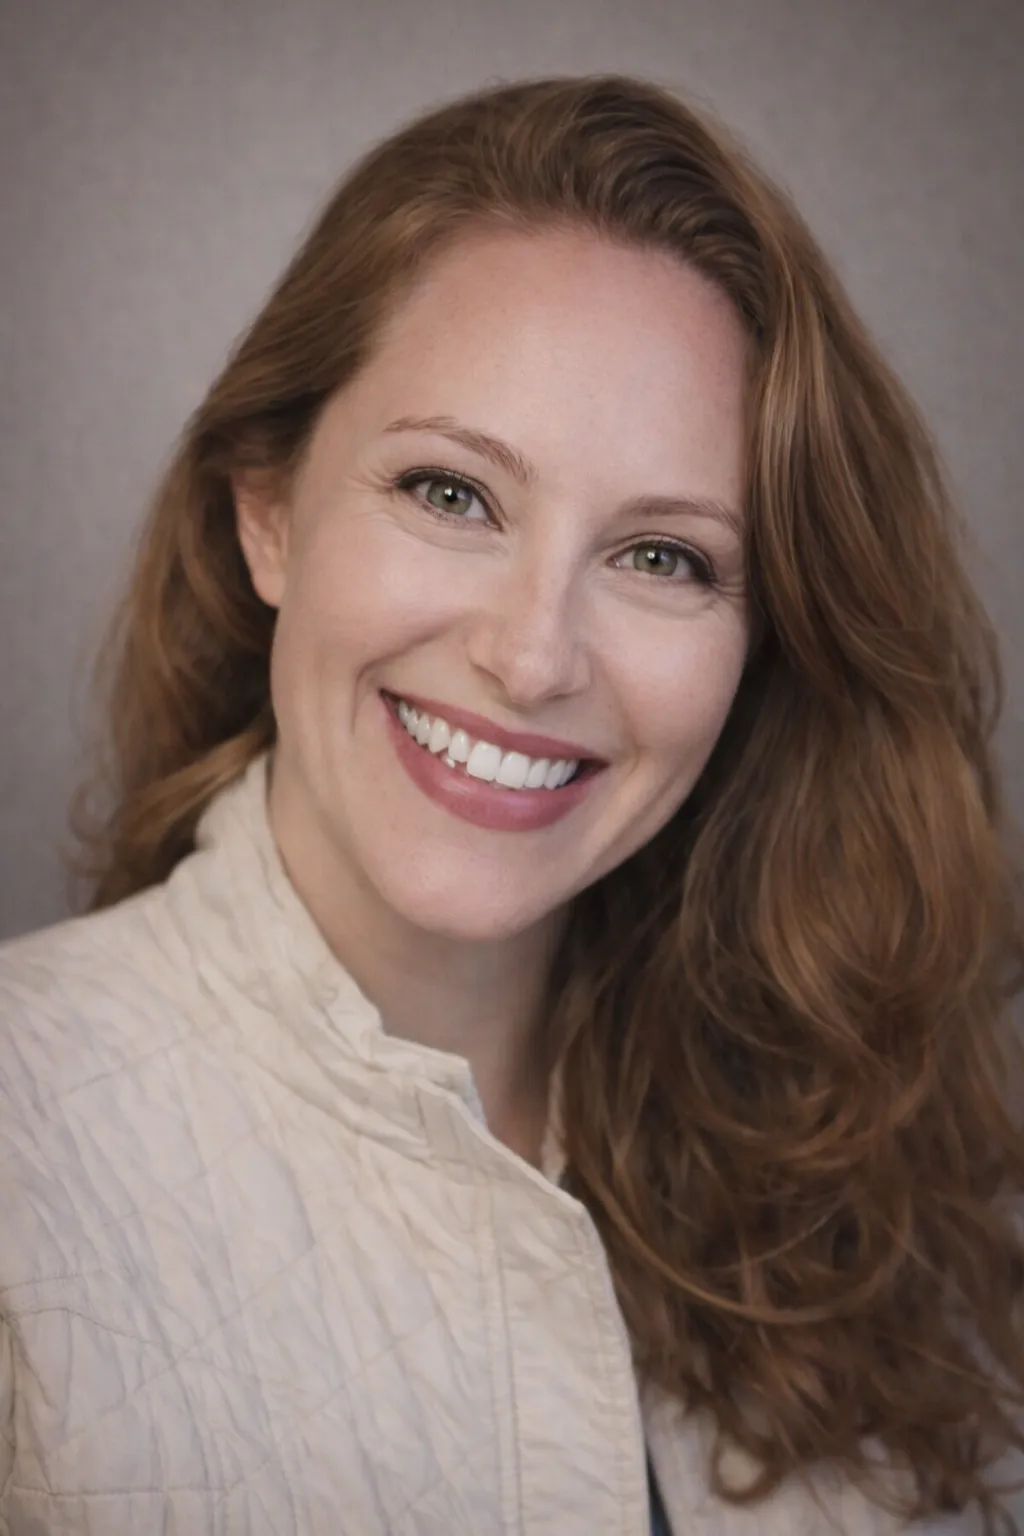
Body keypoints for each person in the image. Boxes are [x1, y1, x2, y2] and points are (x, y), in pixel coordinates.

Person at [1, 72, 1022, 1536]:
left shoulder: (866, 1176)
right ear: (267, 510)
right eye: (451, 493)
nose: (534, 658)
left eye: (663, 558)